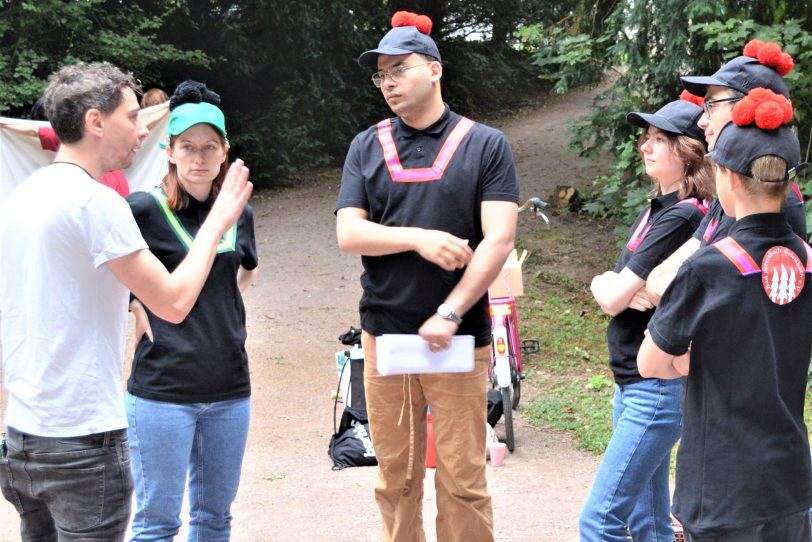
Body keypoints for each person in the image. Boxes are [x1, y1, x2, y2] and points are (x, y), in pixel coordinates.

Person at [0, 61, 251, 541]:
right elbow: (174, 304)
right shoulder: (98, 204)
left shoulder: (22, 196)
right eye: (133, 116)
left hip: (24, 437)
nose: (142, 129)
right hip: (81, 440)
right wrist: (217, 223)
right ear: (96, 121)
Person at [335, 11, 519, 542]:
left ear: (434, 69)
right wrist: (417, 237)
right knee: (395, 478)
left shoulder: (485, 144)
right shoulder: (366, 146)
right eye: (381, 74)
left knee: (463, 478)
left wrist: (451, 310)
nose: (388, 81)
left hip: (459, 338)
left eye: (399, 68)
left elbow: (499, 239)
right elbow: (349, 232)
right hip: (384, 334)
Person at [638, 94, 812, 541]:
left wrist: (693, 360)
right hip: (789, 478)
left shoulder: (709, 267)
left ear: (726, 177)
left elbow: (651, 362)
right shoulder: (809, 262)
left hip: (722, 482)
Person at [125, 80, 258, 541]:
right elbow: (103, 272)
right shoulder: (141, 209)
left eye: (208, 146)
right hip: (162, 390)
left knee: (214, 518)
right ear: (169, 151)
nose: (198, 158)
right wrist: (134, 302)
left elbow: (245, 274)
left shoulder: (239, 211)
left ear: (225, 151)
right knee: (156, 523)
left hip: (229, 388)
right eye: (187, 147)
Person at [580, 97, 715, 541]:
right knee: (649, 525)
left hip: (655, 390)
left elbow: (615, 296)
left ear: (690, 152)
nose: (646, 146)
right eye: (647, 138)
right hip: (632, 383)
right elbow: (618, 289)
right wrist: (611, 283)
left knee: (600, 524)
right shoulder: (659, 207)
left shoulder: (683, 214)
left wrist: (609, 285)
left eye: (662, 140)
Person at [647, 40, 805, 302]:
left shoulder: (760, 197)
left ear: (750, 106)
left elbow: (690, 295)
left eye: (711, 104)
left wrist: (659, 289)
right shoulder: (732, 189)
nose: (701, 120)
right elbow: (662, 279)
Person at [0, 94, 167, 198]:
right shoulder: (69, 135)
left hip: (109, 188)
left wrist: (168, 108)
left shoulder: (97, 131)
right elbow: (32, 131)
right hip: (102, 189)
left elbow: (32, 131)